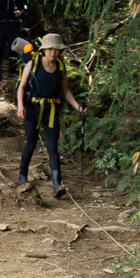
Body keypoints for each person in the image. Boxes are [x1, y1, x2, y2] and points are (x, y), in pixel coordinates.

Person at [15, 33, 85, 197]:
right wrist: (20, 107)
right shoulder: (34, 63)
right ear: (44, 49)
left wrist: (77, 107)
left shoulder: (61, 67)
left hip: (51, 110)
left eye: (56, 49)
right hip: (31, 108)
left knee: (52, 147)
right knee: (31, 143)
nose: (53, 52)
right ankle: (22, 176)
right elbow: (22, 87)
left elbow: (65, 91)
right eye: (50, 49)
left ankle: (57, 185)